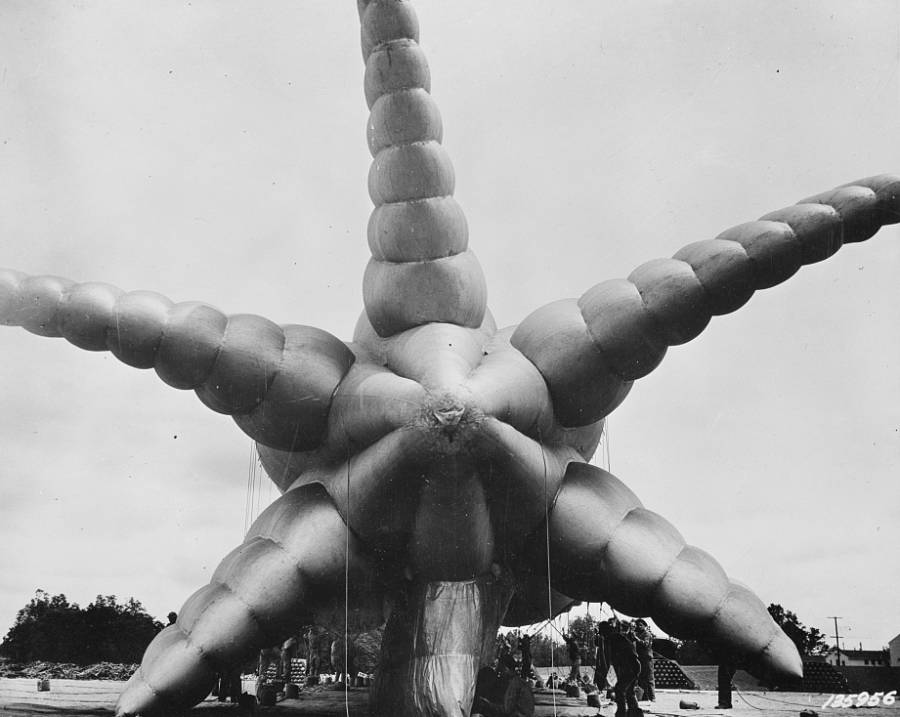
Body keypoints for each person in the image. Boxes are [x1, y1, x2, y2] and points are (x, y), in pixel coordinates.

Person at [606, 620, 643, 717]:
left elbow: (624, 656)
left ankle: (621, 713)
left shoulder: (616, 638)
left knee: (619, 689)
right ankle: (635, 713)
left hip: (632, 666)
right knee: (629, 691)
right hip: (632, 666)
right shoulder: (616, 637)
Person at [634, 619, 655, 701]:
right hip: (640, 658)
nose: (638, 627)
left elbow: (645, 644)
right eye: (637, 625)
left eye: (640, 625)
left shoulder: (647, 634)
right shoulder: (638, 634)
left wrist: (636, 638)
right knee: (641, 678)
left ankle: (652, 697)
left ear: (645, 626)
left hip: (647, 659)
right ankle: (644, 696)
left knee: (649, 678)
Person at [594, 620, 614, 691]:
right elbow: (596, 643)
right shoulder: (602, 637)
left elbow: (599, 646)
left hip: (604, 656)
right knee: (602, 672)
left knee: (603, 672)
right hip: (604, 656)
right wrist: (596, 634)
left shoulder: (603, 637)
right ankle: (603, 688)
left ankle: (603, 688)